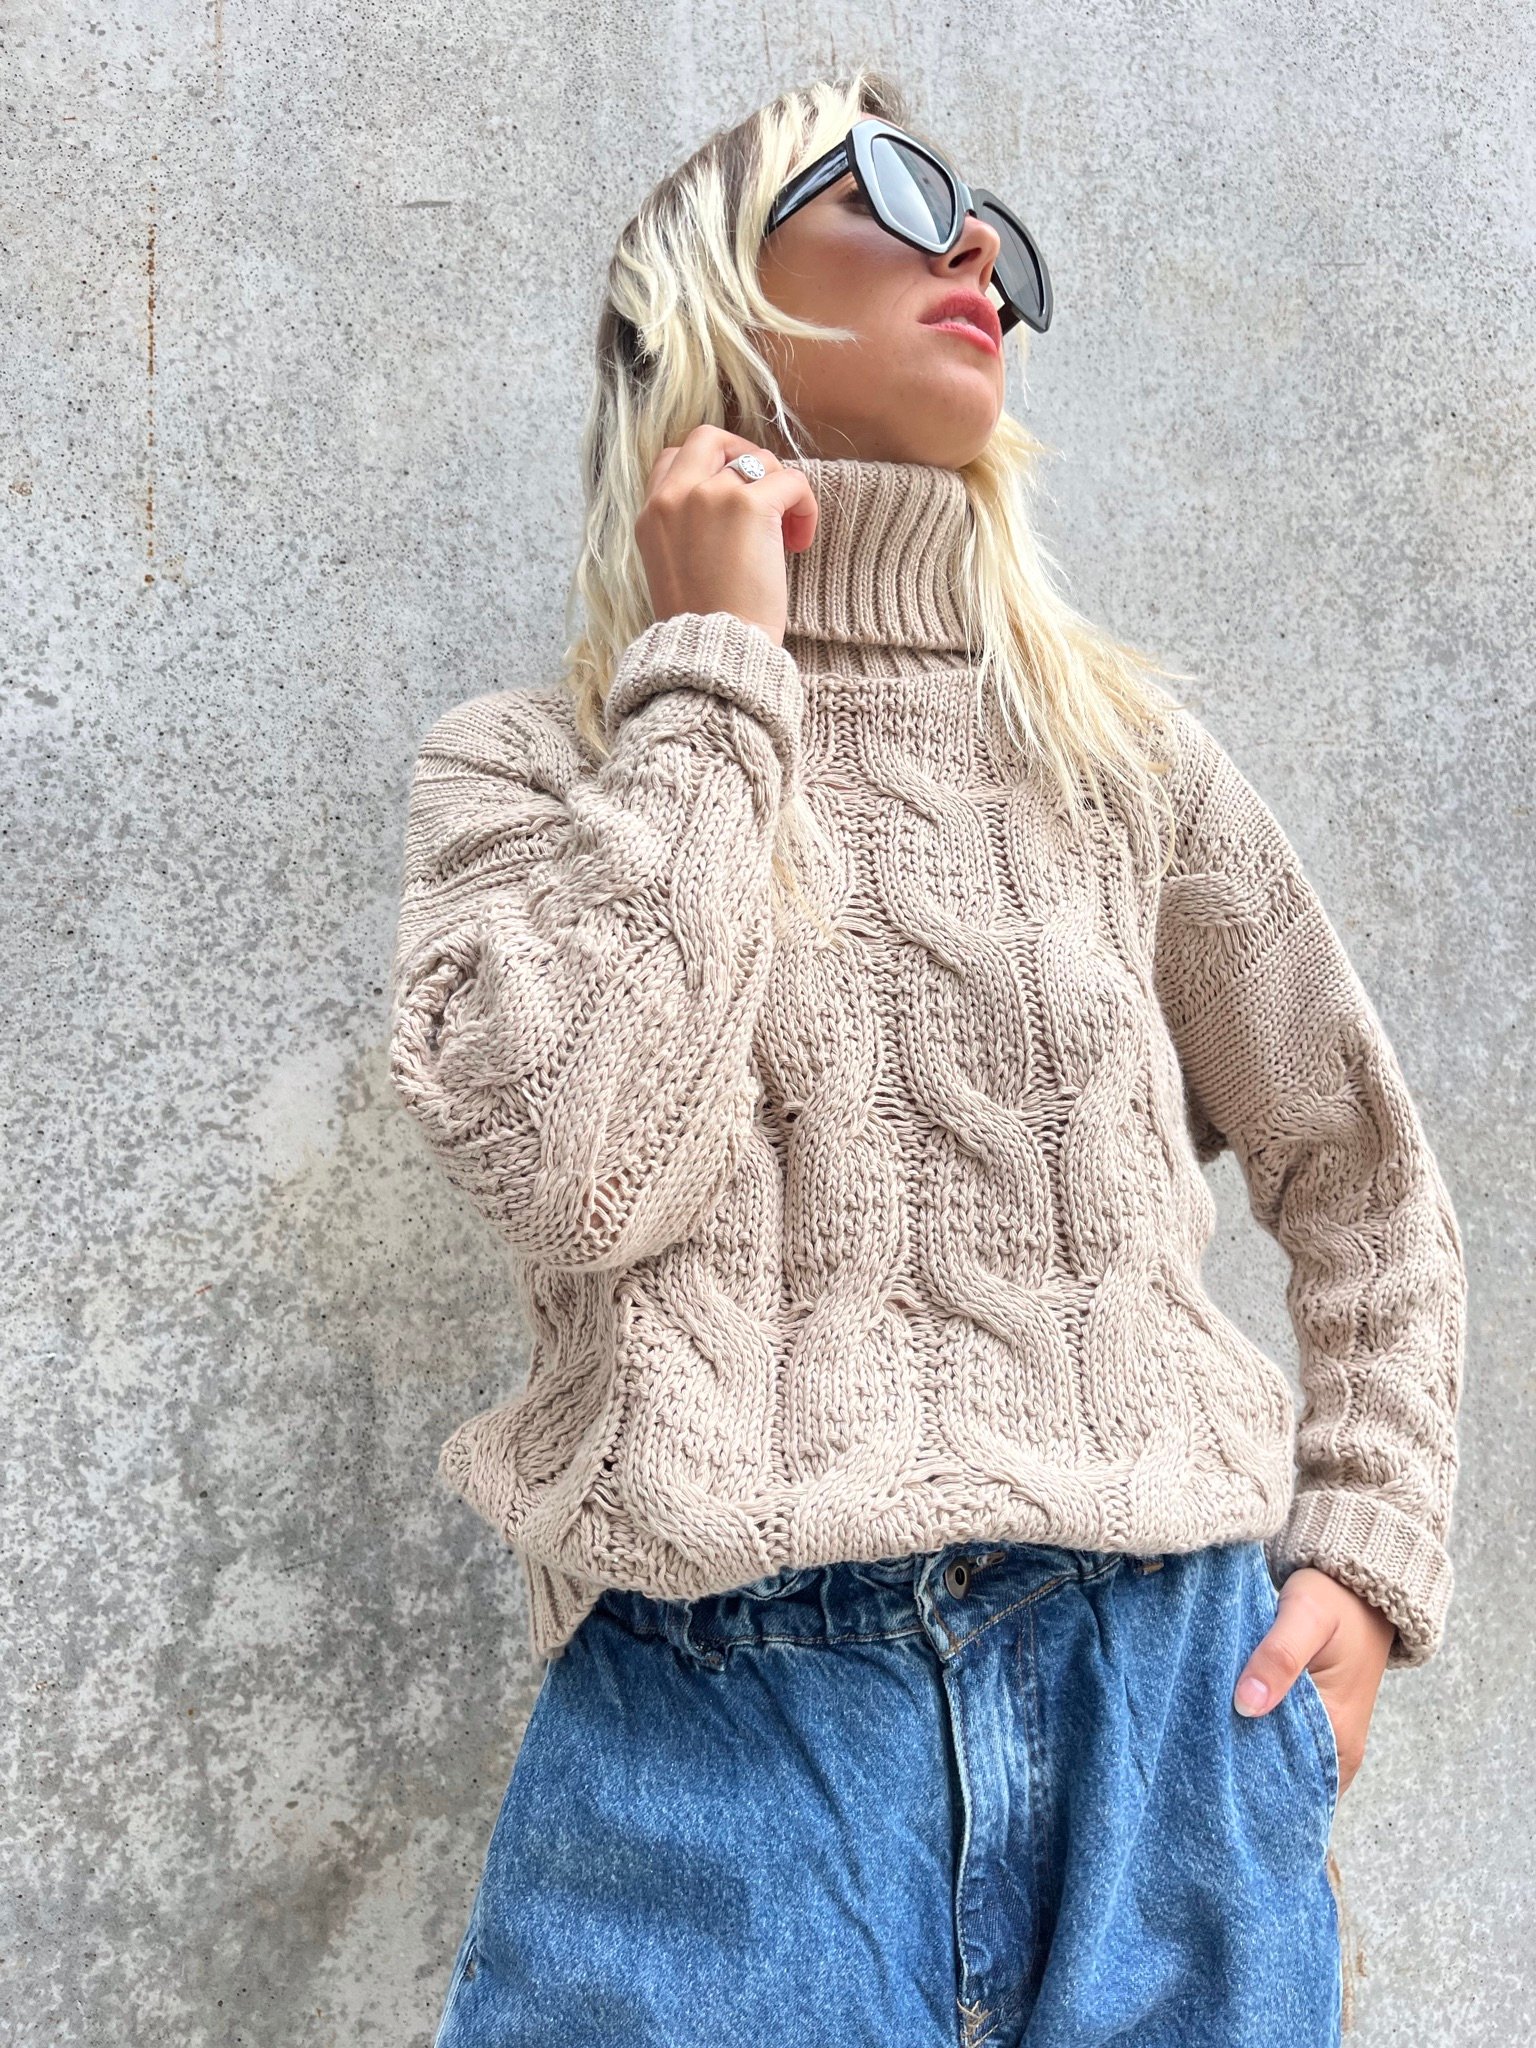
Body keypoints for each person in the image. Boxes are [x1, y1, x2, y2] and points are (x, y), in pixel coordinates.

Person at [386, 67, 1466, 2048]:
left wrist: (1369, 1552)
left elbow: (1360, 1172)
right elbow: (577, 1178)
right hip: (724, 1728)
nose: (972, 243)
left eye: (991, 224)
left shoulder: (1118, 759)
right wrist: (715, 675)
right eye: (883, 185)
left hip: (1168, 1706)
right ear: (709, 295)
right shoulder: (533, 769)